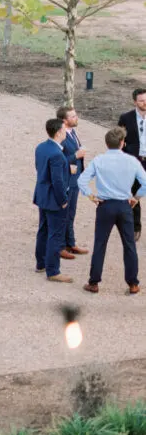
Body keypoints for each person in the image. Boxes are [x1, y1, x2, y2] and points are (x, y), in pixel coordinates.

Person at [78, 127, 146, 295]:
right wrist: (136, 198)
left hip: (105, 205)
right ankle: (133, 283)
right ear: (122, 143)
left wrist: (92, 196)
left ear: (106, 144)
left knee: (100, 244)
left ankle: (94, 282)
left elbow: (82, 180)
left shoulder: (99, 160)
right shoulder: (132, 161)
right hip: (124, 205)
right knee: (129, 245)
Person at [32, 117, 71, 282]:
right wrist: (63, 199)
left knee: (43, 229)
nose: (65, 132)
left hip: (42, 195)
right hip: (54, 199)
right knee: (55, 233)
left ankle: (41, 263)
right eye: (63, 129)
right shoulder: (56, 154)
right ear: (58, 132)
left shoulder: (41, 147)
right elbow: (57, 181)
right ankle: (53, 270)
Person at [58, 105, 88, 259]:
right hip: (67, 180)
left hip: (76, 178)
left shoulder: (73, 132)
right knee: (65, 212)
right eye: (73, 116)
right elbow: (59, 160)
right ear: (64, 120)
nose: (76, 118)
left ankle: (70, 242)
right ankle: (61, 246)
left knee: (72, 212)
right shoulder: (61, 137)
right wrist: (76, 155)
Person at [118, 88, 146, 242]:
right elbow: (119, 140)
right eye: (141, 100)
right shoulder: (125, 118)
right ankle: (135, 227)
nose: (145, 103)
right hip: (134, 162)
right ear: (135, 102)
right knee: (134, 194)